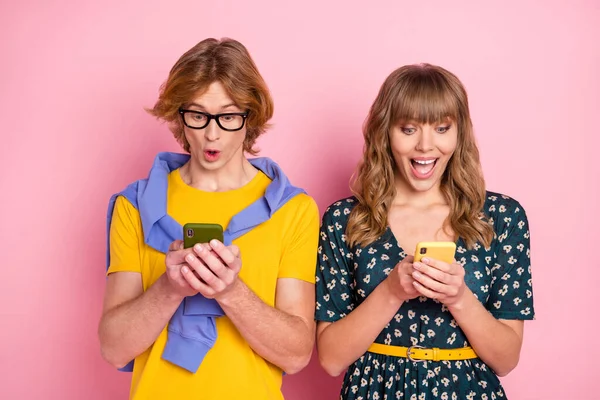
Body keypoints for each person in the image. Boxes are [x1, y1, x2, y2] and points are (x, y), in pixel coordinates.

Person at [98, 38, 319, 400]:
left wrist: (230, 291)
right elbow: (114, 348)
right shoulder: (136, 205)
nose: (211, 134)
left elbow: (296, 355)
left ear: (251, 117)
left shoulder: (292, 210)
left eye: (228, 116)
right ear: (179, 115)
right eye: (198, 115)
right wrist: (170, 288)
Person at [315, 64, 535, 399]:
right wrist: (391, 291)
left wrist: (459, 298)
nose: (425, 146)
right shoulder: (345, 220)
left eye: (442, 128)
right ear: (385, 132)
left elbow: (506, 359)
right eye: (408, 129)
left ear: (460, 132)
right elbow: (330, 359)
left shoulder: (501, 218)